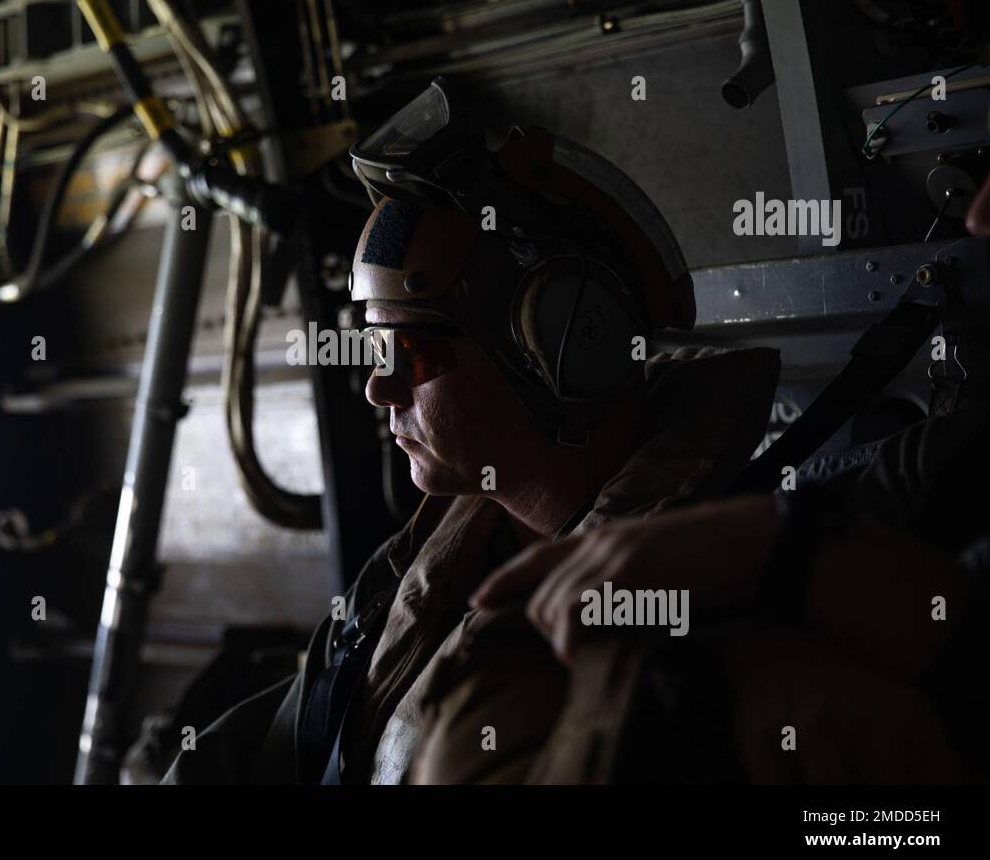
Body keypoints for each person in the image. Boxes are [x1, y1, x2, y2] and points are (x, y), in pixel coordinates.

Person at [163, 82, 781, 784]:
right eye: (374, 351)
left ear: (566, 348)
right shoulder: (417, 568)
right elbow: (273, 750)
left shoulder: (694, 608)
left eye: (412, 354)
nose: (377, 387)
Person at [409, 167, 990, 785]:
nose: (978, 218)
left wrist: (782, 554)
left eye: (413, 352)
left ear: (574, 344)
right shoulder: (937, 471)